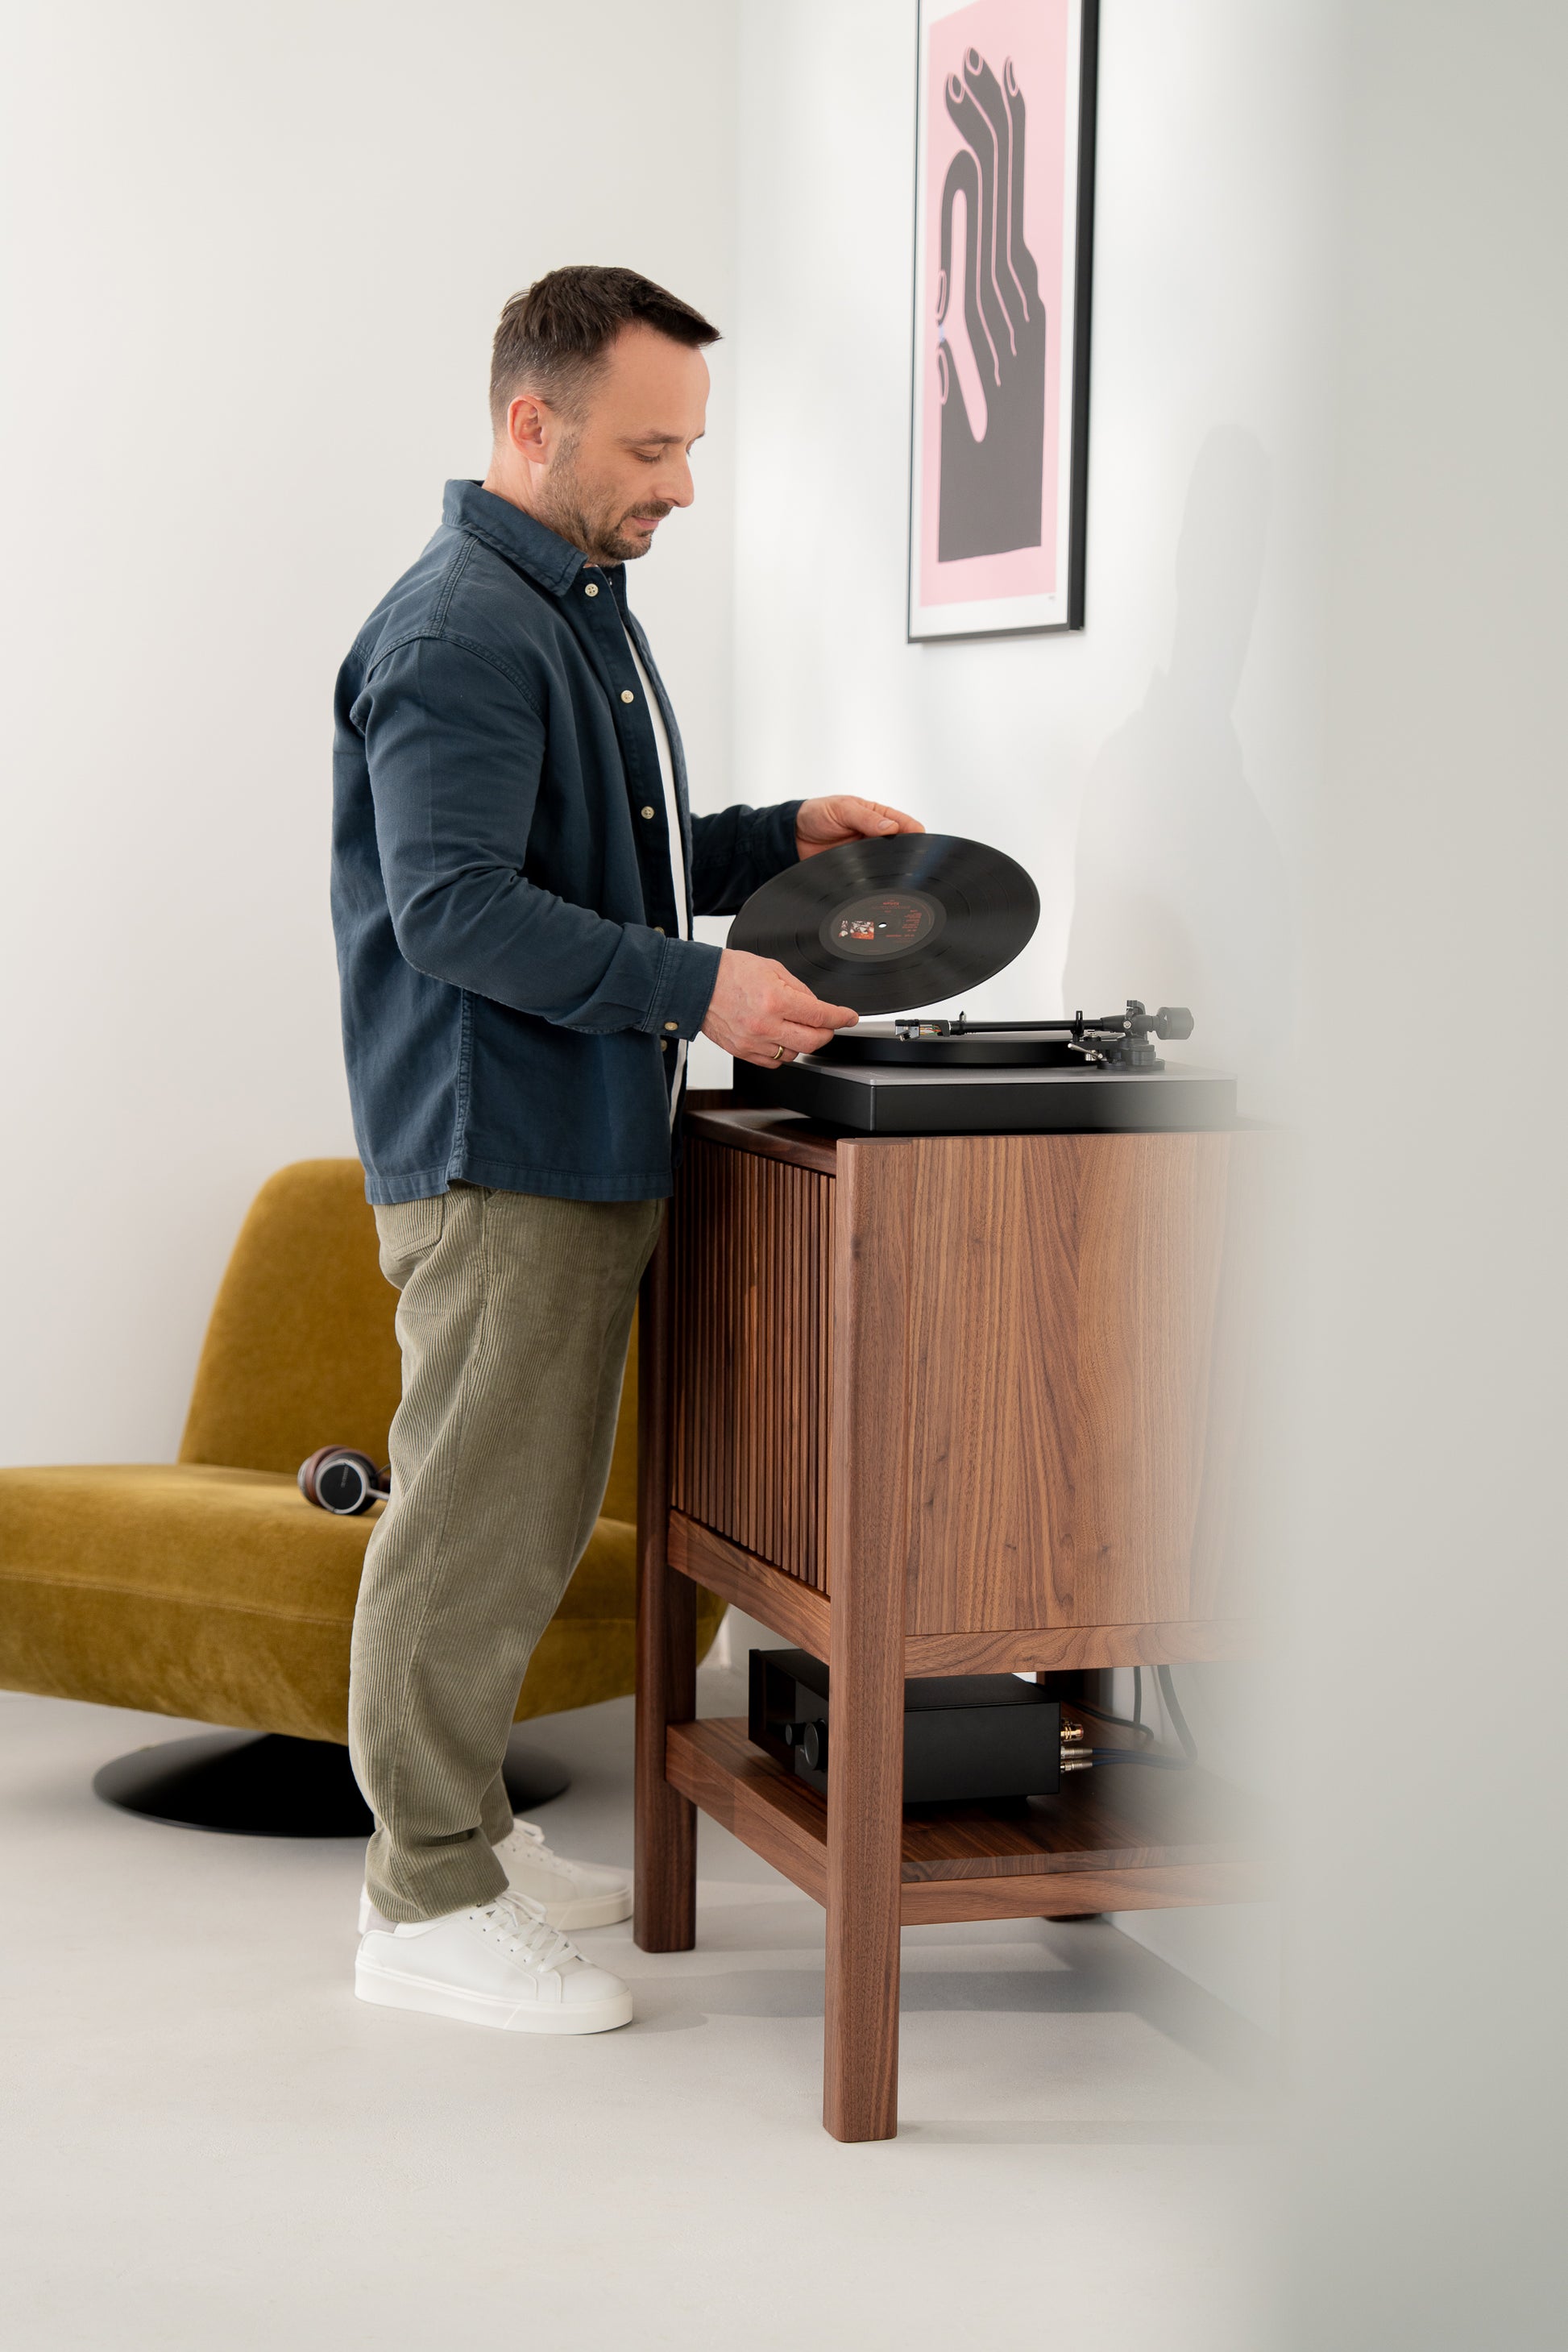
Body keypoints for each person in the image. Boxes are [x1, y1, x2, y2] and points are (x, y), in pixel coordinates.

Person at [330, 265, 922, 2035]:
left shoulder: (569, 600)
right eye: (652, 447)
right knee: (470, 1528)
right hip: (496, 1148)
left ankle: (468, 1843)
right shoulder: (461, 631)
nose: (680, 484)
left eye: (690, 446)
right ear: (533, 425)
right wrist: (706, 992)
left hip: (567, 1136)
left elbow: (595, 854)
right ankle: (419, 1897)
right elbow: (455, 911)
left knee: (512, 1524)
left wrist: (771, 837)